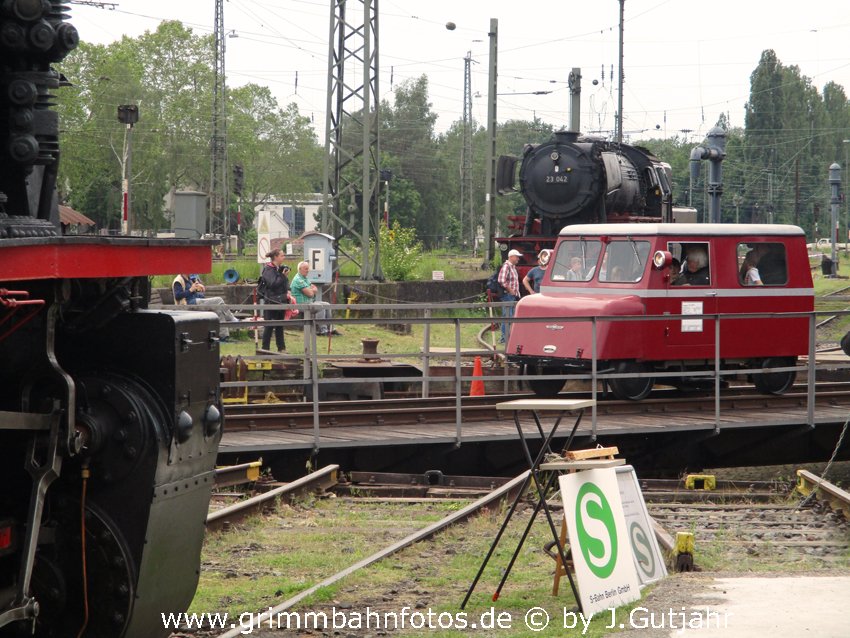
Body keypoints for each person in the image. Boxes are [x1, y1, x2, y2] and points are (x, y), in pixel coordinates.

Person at [172, 273, 238, 339]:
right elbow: (177, 296)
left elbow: (193, 294)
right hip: (187, 305)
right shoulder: (178, 281)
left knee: (218, 310)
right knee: (219, 300)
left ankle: (223, 336)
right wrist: (191, 290)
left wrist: (200, 291)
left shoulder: (189, 279)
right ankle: (231, 318)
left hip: (195, 301)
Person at [290, 261, 339, 336]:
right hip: (300, 304)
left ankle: (330, 328)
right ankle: (322, 329)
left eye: (308, 268)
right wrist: (311, 290)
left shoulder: (304, 278)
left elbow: (315, 288)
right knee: (320, 307)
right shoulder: (298, 280)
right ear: (300, 269)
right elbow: (310, 294)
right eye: (306, 269)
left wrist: (311, 290)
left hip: (309, 302)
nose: (308, 270)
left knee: (327, 304)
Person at [259, 248, 291, 351]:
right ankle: (265, 348)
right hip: (271, 300)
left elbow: (283, 283)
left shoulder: (279, 269)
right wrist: (282, 276)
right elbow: (273, 284)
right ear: (276, 257)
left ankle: (281, 348)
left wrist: (288, 290)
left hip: (281, 300)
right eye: (282, 256)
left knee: (280, 326)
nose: (284, 257)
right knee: (269, 326)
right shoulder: (268, 269)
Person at [497, 249, 522, 343]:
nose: (518, 259)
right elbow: (501, 280)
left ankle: (507, 336)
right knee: (507, 316)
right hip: (508, 295)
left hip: (512, 295)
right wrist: (510, 290)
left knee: (510, 316)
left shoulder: (512, 267)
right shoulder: (507, 266)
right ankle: (504, 338)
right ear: (511, 257)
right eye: (517, 257)